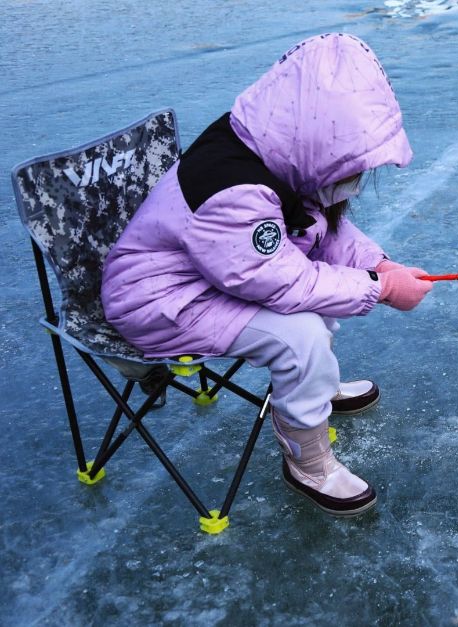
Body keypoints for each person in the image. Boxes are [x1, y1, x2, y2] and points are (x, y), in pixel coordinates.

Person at [101, 33, 432, 517]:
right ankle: (308, 462)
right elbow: (284, 282)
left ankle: (313, 386)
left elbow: (318, 227)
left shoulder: (280, 150)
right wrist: (379, 290)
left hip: (214, 274)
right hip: (159, 302)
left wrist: (377, 264)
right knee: (298, 334)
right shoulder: (230, 191)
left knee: (314, 306)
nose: (357, 180)